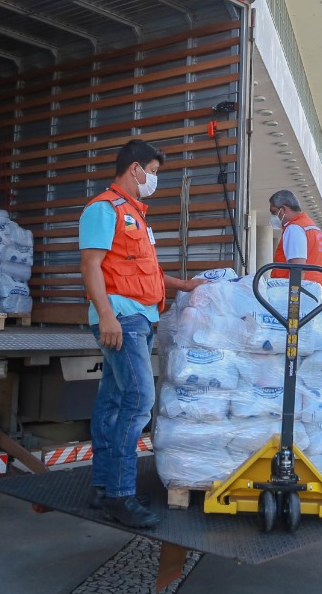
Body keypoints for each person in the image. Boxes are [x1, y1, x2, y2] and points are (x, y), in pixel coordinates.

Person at [79, 139, 203, 528]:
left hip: (141, 319)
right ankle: (119, 495)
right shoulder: (104, 209)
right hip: (121, 320)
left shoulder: (136, 215)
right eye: (152, 171)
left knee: (114, 402)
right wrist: (106, 315)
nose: (153, 179)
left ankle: (104, 488)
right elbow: (90, 266)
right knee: (138, 401)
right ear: (134, 169)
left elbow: (144, 272)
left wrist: (183, 285)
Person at [269, 189, 322, 296]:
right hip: (317, 294)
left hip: (302, 297)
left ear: (283, 209)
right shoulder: (312, 228)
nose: (273, 217)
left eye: (274, 212)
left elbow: (297, 269)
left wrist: (293, 301)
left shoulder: (294, 228)